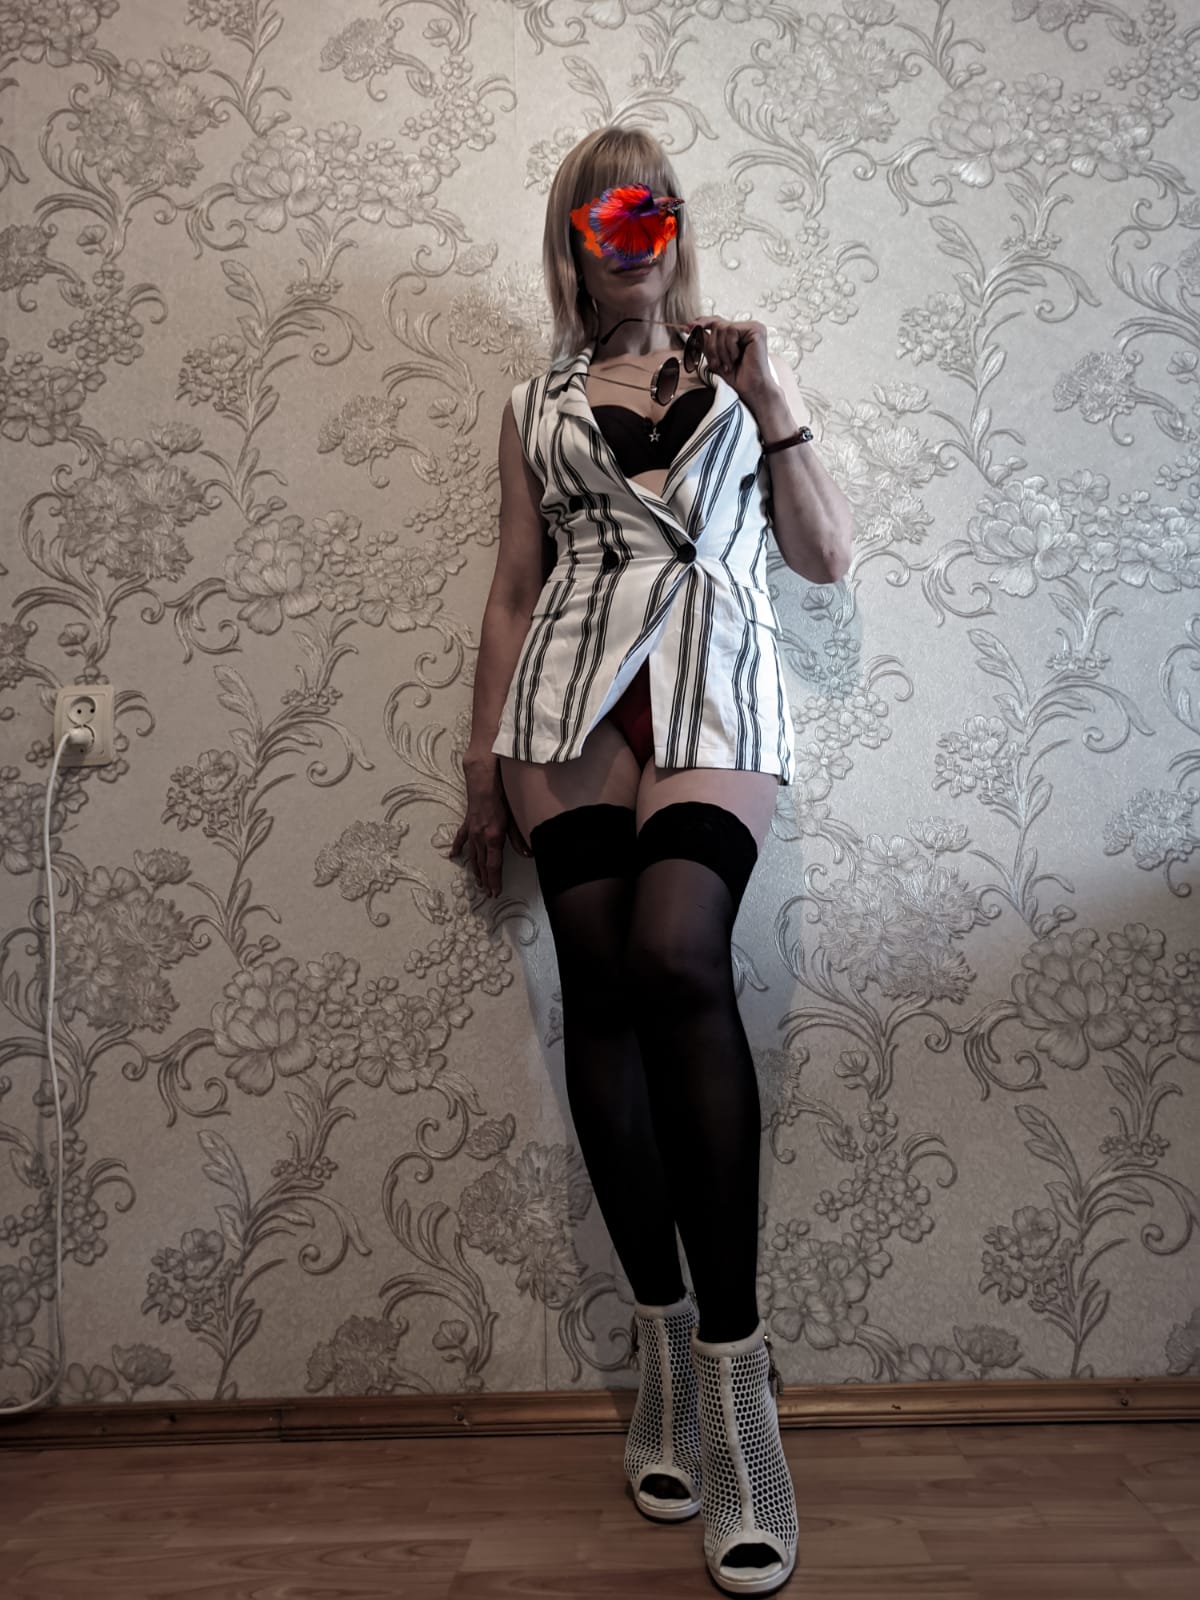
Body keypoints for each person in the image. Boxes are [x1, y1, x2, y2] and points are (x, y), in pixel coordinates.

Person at [448, 125, 852, 1597]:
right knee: (603, 996)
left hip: (716, 687)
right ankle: (664, 1345)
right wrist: (480, 762)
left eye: (653, 209)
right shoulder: (534, 402)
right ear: (575, 238)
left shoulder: (741, 381)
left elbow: (824, 557)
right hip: (566, 700)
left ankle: (742, 1387)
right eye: (604, 213)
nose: (632, 235)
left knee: (679, 957)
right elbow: (514, 587)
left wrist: (777, 396)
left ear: (676, 227)